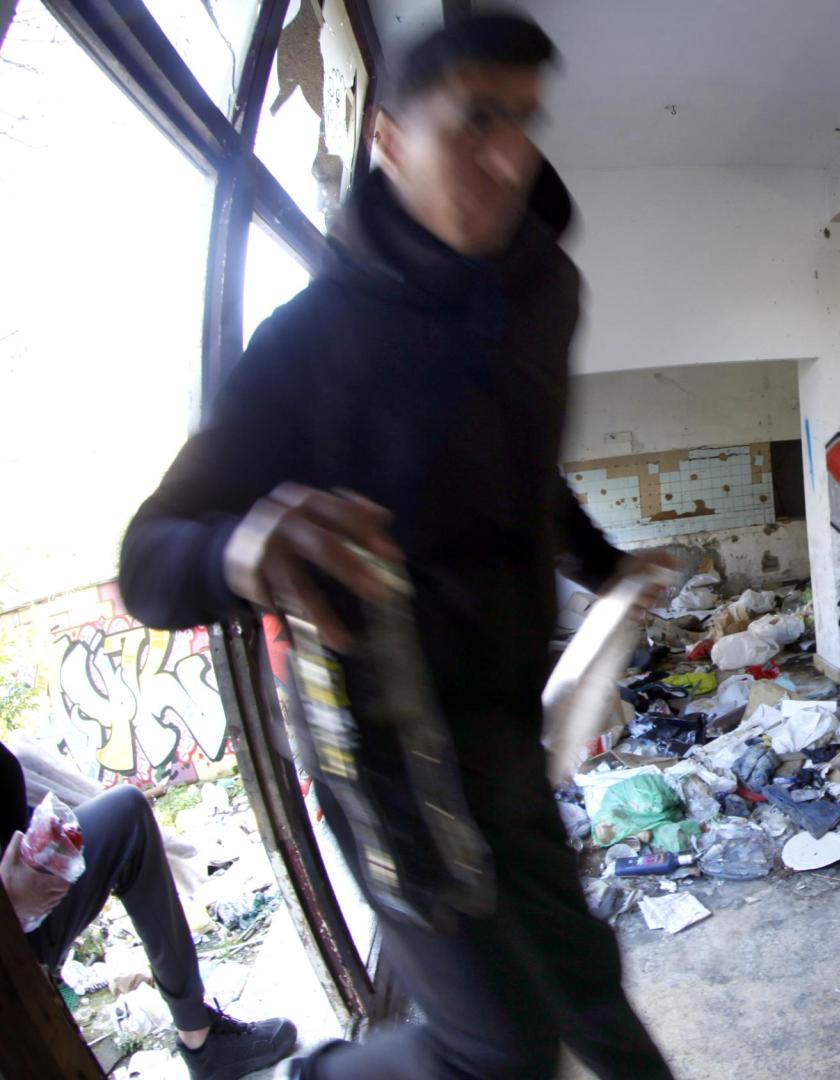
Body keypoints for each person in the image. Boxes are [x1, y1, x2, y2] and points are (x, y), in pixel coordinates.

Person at [118, 13, 675, 1080]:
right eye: (475, 122)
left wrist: (604, 567)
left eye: (524, 122)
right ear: (387, 140)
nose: (514, 158)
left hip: (510, 723)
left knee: (586, 981)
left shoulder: (546, 295)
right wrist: (241, 547)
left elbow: (520, 473)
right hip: (385, 753)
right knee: (498, 1054)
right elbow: (151, 559)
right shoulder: (311, 341)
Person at [2, 742, 298, 1079]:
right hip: (11, 939)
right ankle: (198, 1036)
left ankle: (199, 1034)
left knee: (127, 812)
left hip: (26, 886)